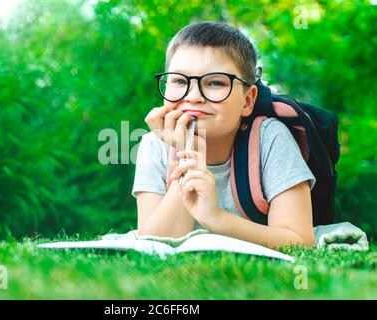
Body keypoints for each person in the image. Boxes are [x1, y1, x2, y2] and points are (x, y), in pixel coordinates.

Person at [131, 21, 315, 248]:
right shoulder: (154, 144)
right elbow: (154, 244)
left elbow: (300, 242)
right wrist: (187, 155)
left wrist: (216, 218)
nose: (194, 96)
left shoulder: (270, 139)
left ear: (247, 100)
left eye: (215, 82)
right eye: (179, 80)